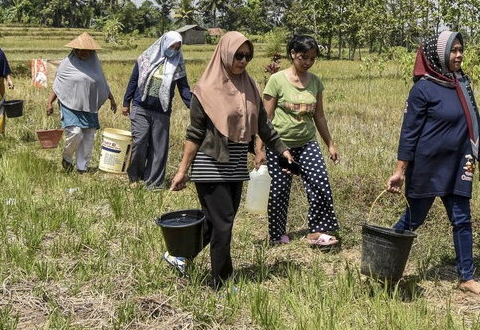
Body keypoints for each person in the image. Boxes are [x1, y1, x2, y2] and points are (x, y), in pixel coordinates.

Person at [169, 31, 293, 289]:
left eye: (248, 56)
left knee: (217, 222)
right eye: (238, 55)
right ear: (225, 53)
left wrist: (281, 150)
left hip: (236, 165)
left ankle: (179, 254)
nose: (243, 61)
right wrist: (183, 170)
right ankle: (221, 282)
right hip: (210, 165)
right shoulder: (204, 90)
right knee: (223, 225)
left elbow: (263, 125)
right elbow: (194, 134)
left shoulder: (249, 86)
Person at [386, 31, 480, 298]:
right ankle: (385, 260)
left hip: (460, 163)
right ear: (438, 55)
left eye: (460, 50)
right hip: (428, 166)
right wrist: (400, 170)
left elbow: (474, 119)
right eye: (453, 50)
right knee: (415, 218)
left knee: (462, 219)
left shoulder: (462, 83)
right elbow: (409, 133)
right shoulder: (423, 88)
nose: (459, 55)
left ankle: (466, 277)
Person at [262, 35, 340, 247]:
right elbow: (265, 118)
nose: (307, 62)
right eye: (303, 57)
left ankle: (317, 232)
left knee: (320, 182)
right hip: (279, 144)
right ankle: (277, 235)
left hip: (307, 142)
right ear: (292, 54)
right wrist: (260, 149)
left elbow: (319, 116)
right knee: (279, 190)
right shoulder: (276, 80)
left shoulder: (315, 82)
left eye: (312, 58)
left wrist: (330, 144)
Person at [121, 31, 191, 189]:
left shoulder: (178, 64)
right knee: (140, 141)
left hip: (162, 111)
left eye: (177, 47)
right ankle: (135, 176)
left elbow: (184, 89)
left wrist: (193, 107)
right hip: (141, 106)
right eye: (171, 46)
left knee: (159, 148)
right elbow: (134, 80)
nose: (173, 49)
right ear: (164, 43)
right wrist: (126, 102)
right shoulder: (146, 58)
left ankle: (154, 183)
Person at [46, 32, 116, 172]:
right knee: (76, 132)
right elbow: (59, 85)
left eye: (87, 50)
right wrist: (49, 102)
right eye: (81, 50)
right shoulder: (67, 64)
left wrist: (112, 99)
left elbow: (101, 83)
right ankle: (67, 157)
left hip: (89, 105)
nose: (84, 53)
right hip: (69, 104)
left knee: (89, 136)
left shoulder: (95, 65)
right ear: (75, 50)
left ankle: (82, 167)